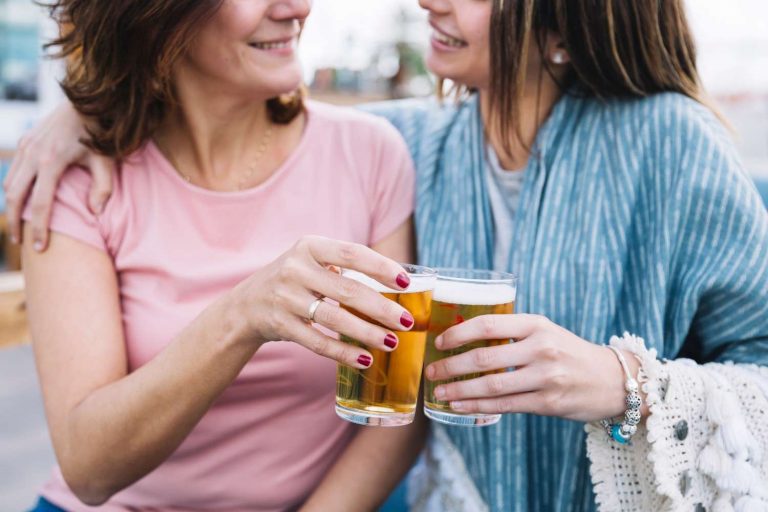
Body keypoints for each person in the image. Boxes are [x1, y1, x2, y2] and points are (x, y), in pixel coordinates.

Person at [7, 0, 768, 511]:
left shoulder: (675, 146)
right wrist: (80, 114)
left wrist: (621, 381)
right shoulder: (419, 143)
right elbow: (204, 101)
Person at [9, 1, 428, 511]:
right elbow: (89, 470)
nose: (297, 7)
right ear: (158, 16)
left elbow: (398, 411)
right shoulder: (74, 180)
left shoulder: (370, 153)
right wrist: (243, 315)